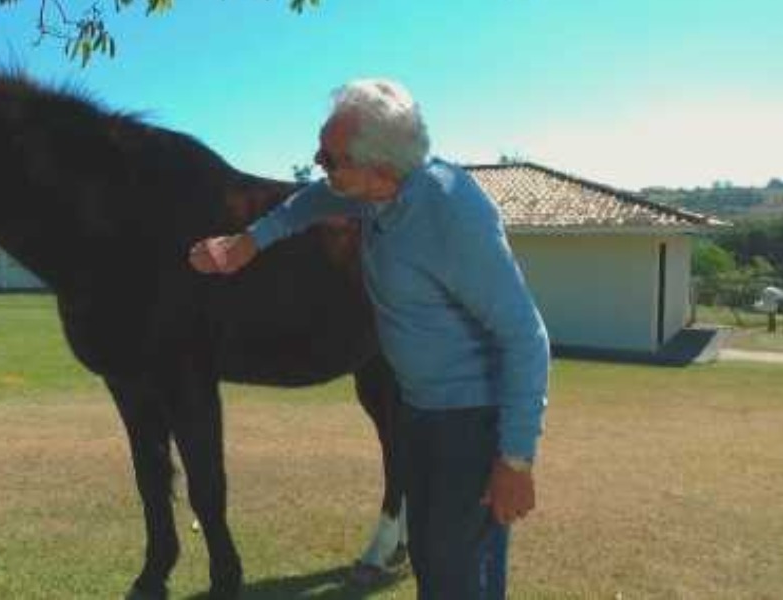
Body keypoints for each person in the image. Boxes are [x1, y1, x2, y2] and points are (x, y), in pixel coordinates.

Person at [189, 78, 550, 598]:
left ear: (378, 169)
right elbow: (309, 202)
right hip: (419, 413)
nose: (319, 165)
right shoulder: (376, 196)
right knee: (431, 563)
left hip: (469, 424)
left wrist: (516, 459)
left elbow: (525, 337)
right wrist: (248, 244)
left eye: (329, 158)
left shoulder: (452, 214)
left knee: (457, 579)